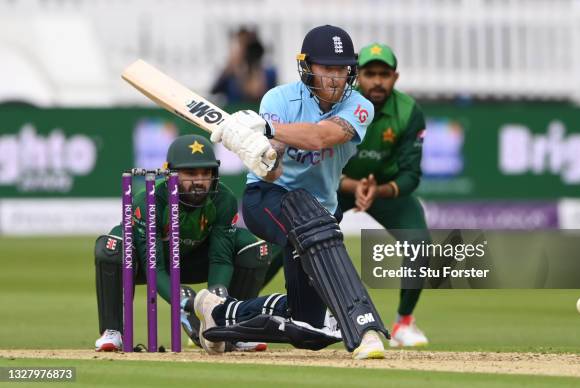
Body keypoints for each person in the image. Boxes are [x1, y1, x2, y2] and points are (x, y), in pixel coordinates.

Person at [192, 25, 389, 360]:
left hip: (320, 214)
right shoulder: (278, 99)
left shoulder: (360, 107)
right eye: (327, 68)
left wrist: (266, 128)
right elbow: (273, 171)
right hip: (267, 198)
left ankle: (219, 311)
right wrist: (256, 146)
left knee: (307, 326)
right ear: (307, 66)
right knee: (306, 215)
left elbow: (321, 137)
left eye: (342, 69)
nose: (335, 78)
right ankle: (364, 327)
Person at [94, 134, 277, 352]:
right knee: (112, 247)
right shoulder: (150, 199)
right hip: (145, 264)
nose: (199, 181)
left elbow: (220, 257)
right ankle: (112, 332)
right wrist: (183, 302)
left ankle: (234, 329)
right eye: (190, 173)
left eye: (205, 173)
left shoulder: (223, 199)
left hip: (194, 261)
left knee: (255, 249)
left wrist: (214, 304)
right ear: (170, 171)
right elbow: (156, 267)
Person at [339, 43, 429, 347]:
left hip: (385, 189)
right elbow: (318, 156)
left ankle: (404, 323)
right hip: (335, 186)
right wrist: (352, 185)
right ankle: (235, 313)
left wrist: (378, 189)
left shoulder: (408, 111)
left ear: (395, 76)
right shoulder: (338, 103)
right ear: (356, 76)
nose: (377, 81)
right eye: (369, 73)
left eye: (384, 74)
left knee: (419, 244)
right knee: (295, 239)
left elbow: (411, 174)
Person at [211, 27, 277, 104]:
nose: (246, 52)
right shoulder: (230, 74)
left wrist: (256, 69)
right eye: (241, 45)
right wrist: (232, 67)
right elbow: (214, 91)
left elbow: (259, 94)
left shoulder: (269, 72)